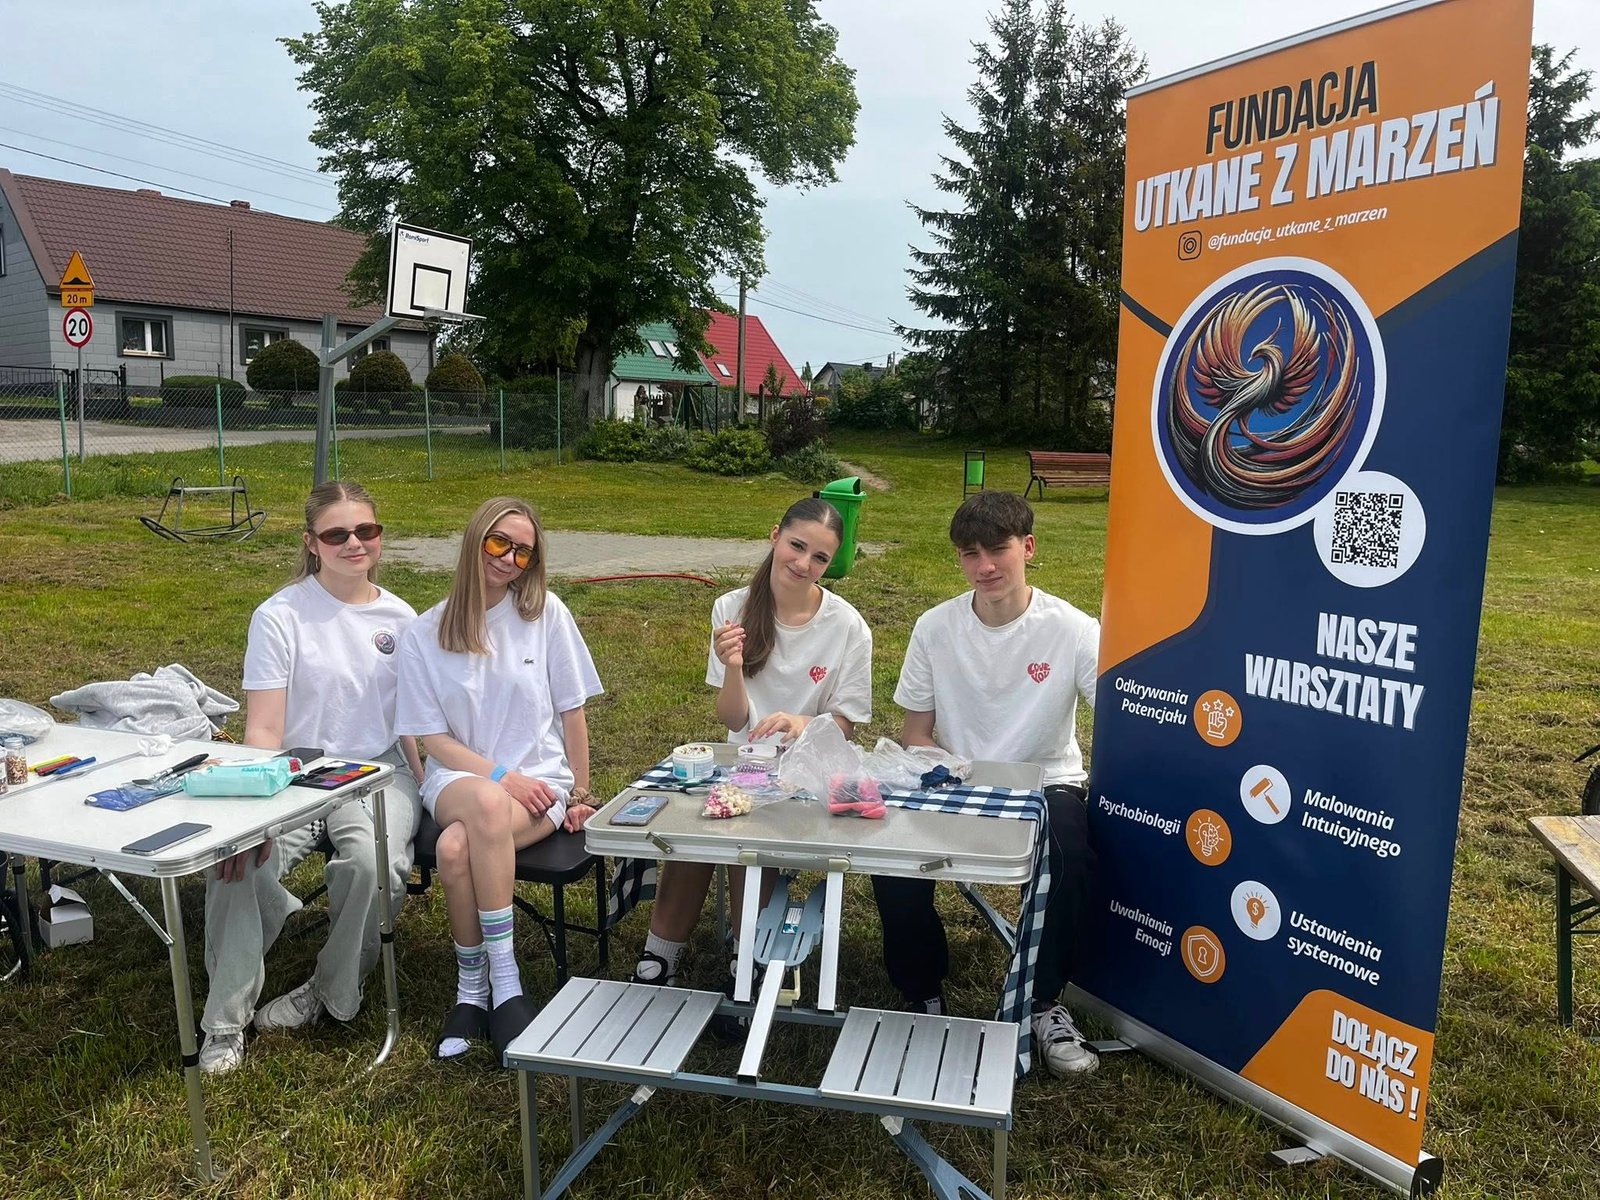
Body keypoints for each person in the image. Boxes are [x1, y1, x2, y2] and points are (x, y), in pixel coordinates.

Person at [872, 490, 1101, 1076]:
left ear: (1028, 547)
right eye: (970, 554)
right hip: (956, 778)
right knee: (891, 853)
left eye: (998, 550)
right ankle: (922, 993)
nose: (985, 566)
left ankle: (1043, 1003)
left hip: (1044, 780)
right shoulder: (934, 627)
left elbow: (1119, 720)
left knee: (1071, 853)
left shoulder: (1073, 629)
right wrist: (950, 771)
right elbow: (916, 734)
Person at [199, 481, 424, 1075]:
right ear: (311, 542)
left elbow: (413, 721)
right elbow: (263, 728)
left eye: (366, 530)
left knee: (375, 864)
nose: (354, 543)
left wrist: (427, 785)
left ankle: (330, 990)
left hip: (379, 770)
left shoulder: (402, 619)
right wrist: (252, 820)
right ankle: (225, 1021)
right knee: (237, 867)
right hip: (295, 771)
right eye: (336, 533)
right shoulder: (280, 616)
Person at [631, 496, 872, 990]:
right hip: (741, 763)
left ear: (830, 564)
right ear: (775, 536)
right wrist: (734, 667)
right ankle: (660, 957)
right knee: (694, 832)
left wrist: (802, 722)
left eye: (820, 557)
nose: (803, 564)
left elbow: (846, 723)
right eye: (796, 546)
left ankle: (749, 961)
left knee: (750, 843)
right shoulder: (732, 608)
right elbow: (734, 718)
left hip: (810, 772)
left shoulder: (847, 625)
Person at [396, 497, 602, 1059]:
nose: (509, 559)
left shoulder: (545, 614)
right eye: (499, 543)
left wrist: (580, 792)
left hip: (541, 783)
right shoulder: (424, 633)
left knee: (456, 848)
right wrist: (502, 778)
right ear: (475, 539)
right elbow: (433, 741)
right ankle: (507, 984)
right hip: (458, 781)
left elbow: (573, 711)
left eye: (523, 552)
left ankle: (472, 991)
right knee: (485, 804)